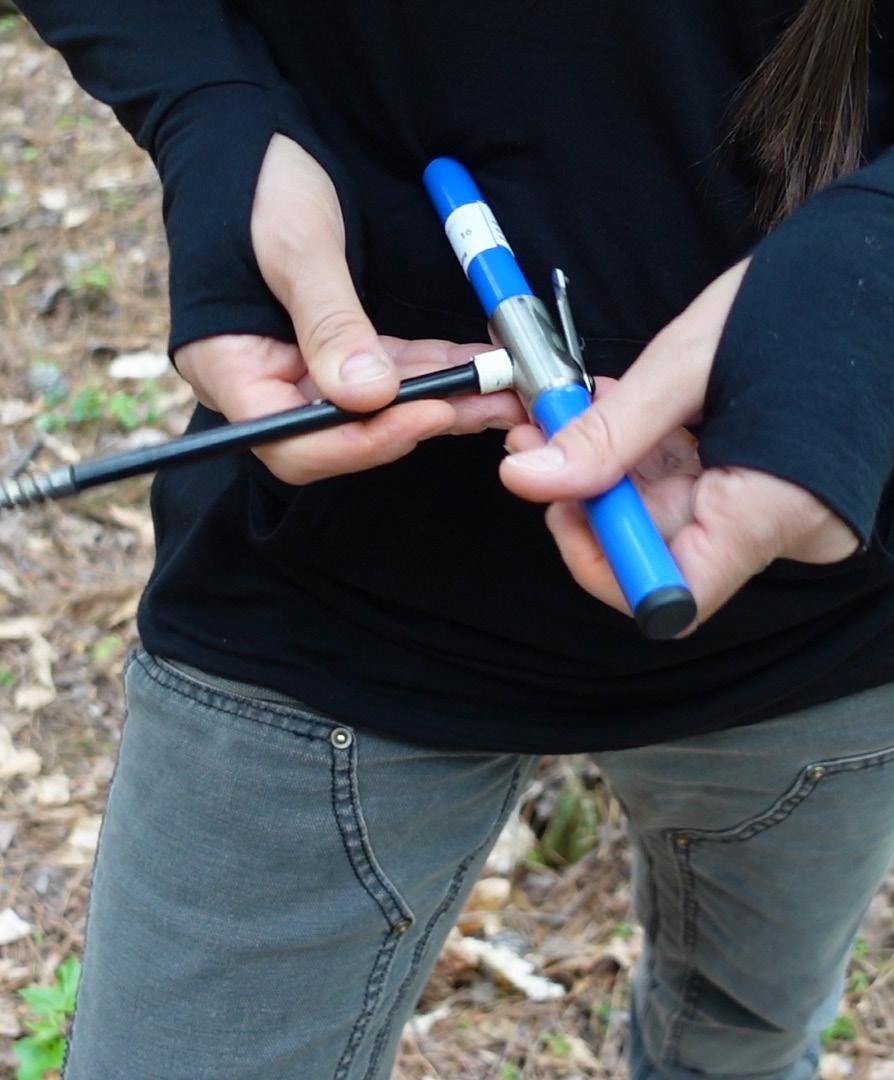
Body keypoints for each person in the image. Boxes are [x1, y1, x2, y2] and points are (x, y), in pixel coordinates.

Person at [14, 1, 894, 1077]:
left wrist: (872, 269)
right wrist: (208, 106)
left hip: (820, 578)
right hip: (325, 581)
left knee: (746, 1045)